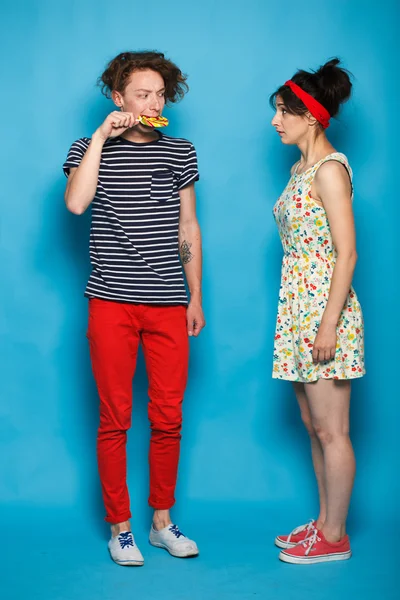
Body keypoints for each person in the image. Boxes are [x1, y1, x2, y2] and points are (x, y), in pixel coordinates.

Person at [63, 50, 205, 566]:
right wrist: (102, 136)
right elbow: (77, 203)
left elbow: (189, 227)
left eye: (160, 94)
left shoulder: (180, 151)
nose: (153, 102)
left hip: (168, 302)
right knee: (114, 418)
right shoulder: (88, 146)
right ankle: (120, 528)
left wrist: (195, 296)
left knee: (168, 417)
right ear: (119, 98)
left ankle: (161, 522)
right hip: (110, 302)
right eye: (142, 94)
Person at [270, 58, 365, 564]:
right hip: (299, 313)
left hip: (325, 315)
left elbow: (347, 253)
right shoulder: (299, 168)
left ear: (309, 116)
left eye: (283, 112)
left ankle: (334, 537)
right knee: (314, 427)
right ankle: (326, 522)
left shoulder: (329, 170)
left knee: (334, 430)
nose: (275, 121)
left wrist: (328, 325)